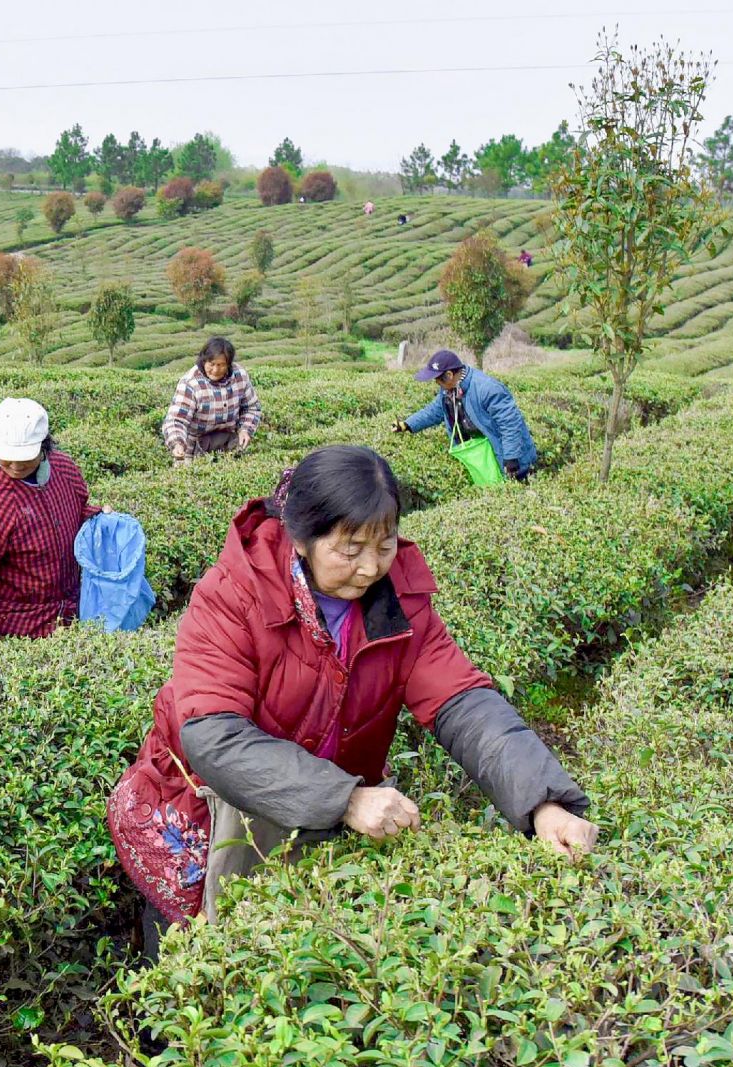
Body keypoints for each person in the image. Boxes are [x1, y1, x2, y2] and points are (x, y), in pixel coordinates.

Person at [108, 446, 596, 960]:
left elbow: (462, 701)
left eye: (384, 546)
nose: (370, 569)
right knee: (186, 957)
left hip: (310, 806)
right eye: (350, 549)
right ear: (301, 538)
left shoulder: (399, 602)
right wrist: (345, 798)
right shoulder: (234, 593)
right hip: (199, 807)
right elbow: (211, 732)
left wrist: (545, 804)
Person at [0, 398, 100, 653]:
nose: (15, 466)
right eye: (7, 458)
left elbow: (78, 512)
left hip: (69, 617)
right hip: (13, 630)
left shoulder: (65, 470)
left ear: (44, 446)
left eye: (25, 458)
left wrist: (99, 519)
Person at [392, 349, 538, 481]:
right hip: (484, 454)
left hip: (511, 459)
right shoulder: (449, 389)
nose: (436, 383)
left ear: (449, 375)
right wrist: (408, 424)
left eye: (437, 379)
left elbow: (510, 425)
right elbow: (435, 411)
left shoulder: (488, 389)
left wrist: (511, 458)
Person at [163, 337, 262, 464]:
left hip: (230, 445)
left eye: (221, 365)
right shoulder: (191, 383)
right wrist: (177, 443)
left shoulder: (239, 376)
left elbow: (252, 407)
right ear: (204, 361)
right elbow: (176, 420)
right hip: (194, 450)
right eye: (211, 364)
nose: (215, 370)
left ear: (229, 364)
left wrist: (245, 429)